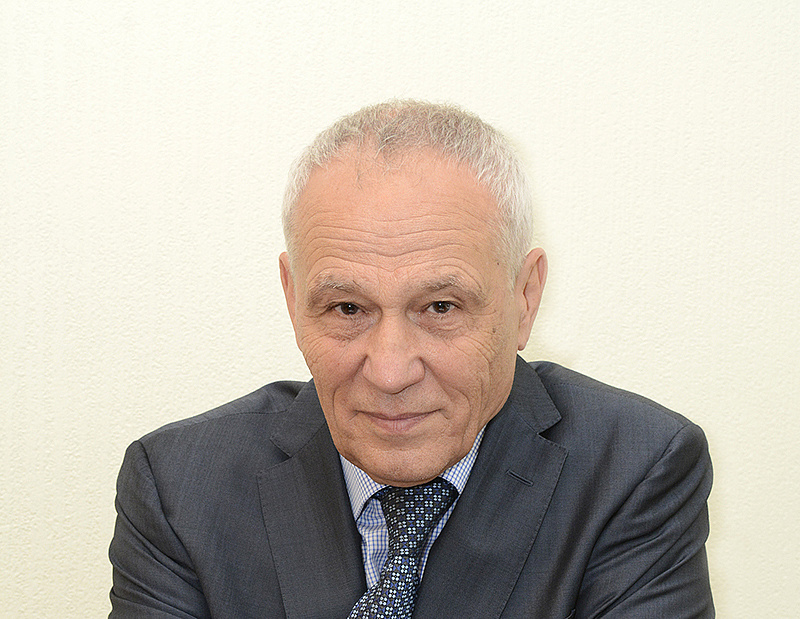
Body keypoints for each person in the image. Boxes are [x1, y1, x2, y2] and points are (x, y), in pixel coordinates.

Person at [109, 100, 714, 618]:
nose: (391, 373)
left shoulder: (634, 470)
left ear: (524, 298)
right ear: (293, 301)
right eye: (348, 308)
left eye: (441, 307)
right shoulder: (179, 489)